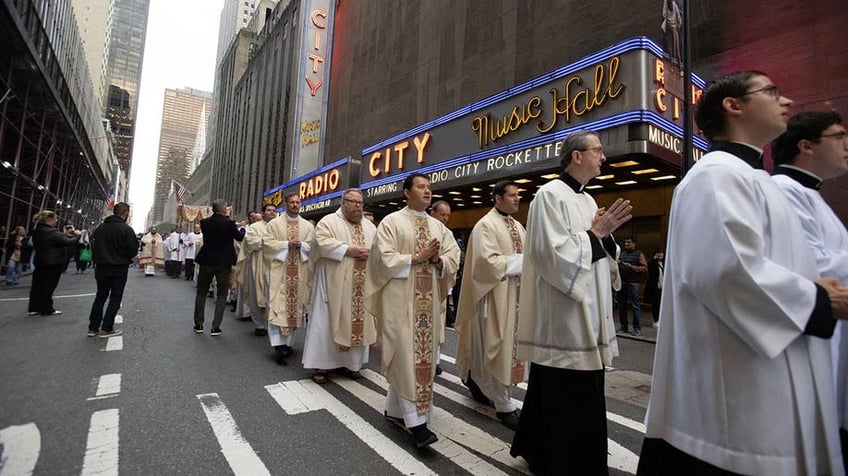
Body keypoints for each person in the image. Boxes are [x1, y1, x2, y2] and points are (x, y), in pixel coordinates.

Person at [638, 71, 848, 475]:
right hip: (736, 398)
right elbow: (724, 272)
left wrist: (813, 286)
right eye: (772, 92)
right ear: (732, 106)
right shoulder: (715, 174)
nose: (785, 102)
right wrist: (817, 300)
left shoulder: (757, 180)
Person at [510, 131, 632, 474]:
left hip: (589, 309)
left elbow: (597, 249)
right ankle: (565, 461)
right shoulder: (549, 195)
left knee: (567, 390)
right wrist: (596, 235)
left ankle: (540, 448)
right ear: (577, 156)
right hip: (565, 314)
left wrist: (606, 238)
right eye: (598, 151)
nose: (603, 157)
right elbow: (551, 255)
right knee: (566, 390)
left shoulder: (589, 200)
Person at [771, 110, 848, 473]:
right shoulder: (784, 190)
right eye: (839, 137)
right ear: (806, 146)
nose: (846, 146)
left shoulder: (809, 193)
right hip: (813, 330)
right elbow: (807, 265)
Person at [365, 173, 460, 449]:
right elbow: (381, 259)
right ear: (407, 192)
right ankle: (417, 425)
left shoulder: (438, 226)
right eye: (421, 187)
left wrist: (439, 259)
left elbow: (454, 255)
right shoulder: (392, 222)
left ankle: (397, 409)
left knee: (419, 360)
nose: (427, 191)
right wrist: (416, 258)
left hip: (427, 307)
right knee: (405, 356)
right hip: (400, 303)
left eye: (429, 187)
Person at [455, 180, 526, 431]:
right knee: (497, 347)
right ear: (497, 198)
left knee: (499, 348)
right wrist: (525, 261)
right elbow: (487, 263)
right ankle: (503, 405)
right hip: (492, 297)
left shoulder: (517, 225)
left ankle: (474, 380)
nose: (517, 199)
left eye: (519, 195)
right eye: (512, 195)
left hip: (514, 296)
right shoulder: (486, 225)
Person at [302, 189, 377, 383]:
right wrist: (347, 250)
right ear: (343, 203)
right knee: (325, 323)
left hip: (361, 287)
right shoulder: (328, 222)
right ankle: (322, 365)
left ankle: (353, 365)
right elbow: (320, 243)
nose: (358, 206)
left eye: (360, 203)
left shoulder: (369, 227)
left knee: (358, 321)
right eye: (353, 202)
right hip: (332, 285)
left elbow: (378, 249)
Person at [263, 193, 314, 364]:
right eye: (292, 202)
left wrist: (302, 245)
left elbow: (314, 246)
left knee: (295, 305)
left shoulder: (307, 226)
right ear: (285, 204)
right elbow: (267, 244)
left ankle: (288, 343)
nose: (295, 205)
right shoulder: (274, 224)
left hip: (299, 271)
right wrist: (286, 244)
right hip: (279, 271)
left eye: (298, 202)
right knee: (278, 304)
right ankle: (278, 345)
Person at [193, 199, 245, 336]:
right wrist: (242, 228)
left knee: (201, 292)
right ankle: (216, 327)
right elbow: (239, 237)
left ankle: (198, 323)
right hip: (224, 262)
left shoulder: (204, 223)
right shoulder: (229, 224)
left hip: (207, 260)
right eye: (226, 208)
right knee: (222, 295)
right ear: (223, 209)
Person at [87, 203, 138, 338]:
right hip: (119, 267)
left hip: (101, 267)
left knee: (100, 296)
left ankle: (93, 327)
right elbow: (133, 250)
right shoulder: (126, 230)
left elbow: (93, 243)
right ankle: (107, 327)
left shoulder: (100, 228)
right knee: (115, 297)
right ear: (126, 213)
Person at [27, 210, 82, 316]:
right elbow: (68, 242)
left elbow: (57, 238)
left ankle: (34, 308)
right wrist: (78, 235)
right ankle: (47, 308)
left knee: (37, 285)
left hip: (40, 261)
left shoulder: (38, 230)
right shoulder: (51, 231)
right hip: (52, 262)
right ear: (49, 219)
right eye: (55, 219)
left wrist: (64, 234)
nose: (56, 221)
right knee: (48, 286)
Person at [236, 207, 275, 335]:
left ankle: (272, 324)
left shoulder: (278, 226)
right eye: (269, 210)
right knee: (256, 293)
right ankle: (259, 324)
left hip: (275, 265)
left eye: (274, 210)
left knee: (273, 295)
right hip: (257, 264)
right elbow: (251, 242)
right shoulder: (254, 227)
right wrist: (271, 243)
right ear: (263, 213)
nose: (272, 212)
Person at [617, 237, 647, 336]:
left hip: (633, 283)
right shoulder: (622, 254)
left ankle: (637, 328)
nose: (626, 244)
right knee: (622, 306)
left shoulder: (639, 254)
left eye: (629, 242)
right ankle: (623, 326)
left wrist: (632, 267)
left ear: (634, 244)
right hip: (623, 283)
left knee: (635, 306)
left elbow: (644, 268)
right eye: (625, 242)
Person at [643, 251, 664, 327]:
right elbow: (649, 267)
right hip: (656, 287)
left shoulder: (664, 263)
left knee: (662, 304)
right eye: (658, 254)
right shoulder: (653, 263)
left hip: (663, 287)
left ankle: (661, 320)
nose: (660, 256)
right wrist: (653, 259)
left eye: (661, 254)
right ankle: (656, 320)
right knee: (656, 304)